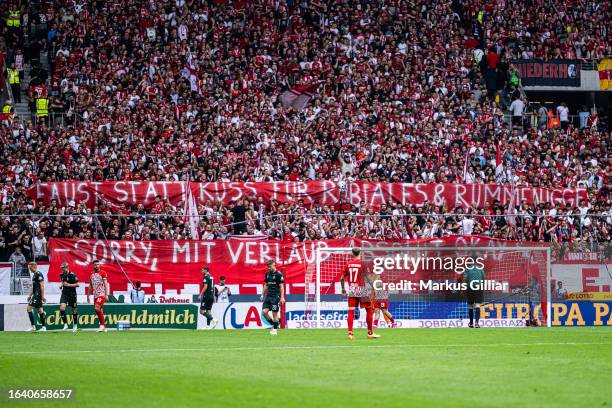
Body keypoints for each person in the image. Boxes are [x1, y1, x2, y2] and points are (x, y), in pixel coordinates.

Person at [340, 248, 379, 339]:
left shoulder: (348, 264)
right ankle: (370, 333)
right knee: (369, 310)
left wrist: (343, 288)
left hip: (352, 289)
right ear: (360, 253)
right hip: (362, 289)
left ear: (352, 253)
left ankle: (350, 333)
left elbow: (342, 278)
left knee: (351, 311)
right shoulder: (363, 264)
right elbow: (368, 278)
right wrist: (373, 287)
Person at [260, 260, 285, 335]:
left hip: (275, 297)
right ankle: (274, 325)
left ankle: (275, 330)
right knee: (264, 312)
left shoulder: (279, 274)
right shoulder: (267, 274)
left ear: (274, 265)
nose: (268, 268)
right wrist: (262, 294)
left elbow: (281, 287)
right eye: (268, 267)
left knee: (275, 314)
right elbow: (266, 285)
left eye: (270, 266)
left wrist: (282, 297)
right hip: (268, 296)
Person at [87, 260, 109, 332]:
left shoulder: (103, 273)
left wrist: (106, 294)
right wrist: (88, 295)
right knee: (99, 310)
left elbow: (106, 284)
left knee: (97, 308)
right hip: (95, 295)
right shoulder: (91, 274)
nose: (96, 266)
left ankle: (102, 325)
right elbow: (90, 285)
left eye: (98, 264)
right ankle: (104, 327)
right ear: (93, 266)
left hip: (101, 294)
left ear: (100, 265)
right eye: (95, 264)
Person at [26, 262, 47, 332]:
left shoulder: (39, 274)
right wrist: (29, 295)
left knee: (29, 309)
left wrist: (43, 296)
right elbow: (33, 287)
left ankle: (33, 326)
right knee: (40, 310)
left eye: (30, 268)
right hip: (36, 294)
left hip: (37, 295)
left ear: (33, 267)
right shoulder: (34, 275)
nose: (29, 269)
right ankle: (44, 327)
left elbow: (42, 286)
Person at [59, 262, 79, 332]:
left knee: (74, 309)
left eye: (63, 268)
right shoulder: (61, 275)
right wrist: (61, 285)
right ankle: (65, 324)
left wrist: (68, 285)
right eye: (61, 268)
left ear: (67, 267)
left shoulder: (72, 275)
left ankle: (75, 325)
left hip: (72, 294)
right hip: (64, 293)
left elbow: (77, 284)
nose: (62, 269)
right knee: (62, 308)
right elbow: (63, 281)